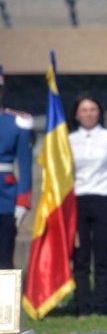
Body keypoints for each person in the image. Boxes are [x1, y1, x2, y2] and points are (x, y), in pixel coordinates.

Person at [68, 94, 107, 316]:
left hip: (105, 198)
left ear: (99, 112)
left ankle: (102, 306)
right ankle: (82, 306)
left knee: (102, 256)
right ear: (76, 114)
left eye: (92, 109)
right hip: (79, 200)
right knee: (81, 257)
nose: (88, 114)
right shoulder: (69, 140)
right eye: (84, 110)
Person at [0, 64, 33, 269]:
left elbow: (25, 165)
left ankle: (6, 303)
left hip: (5, 199)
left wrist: (23, 201)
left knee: (4, 259)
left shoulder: (17, 122)